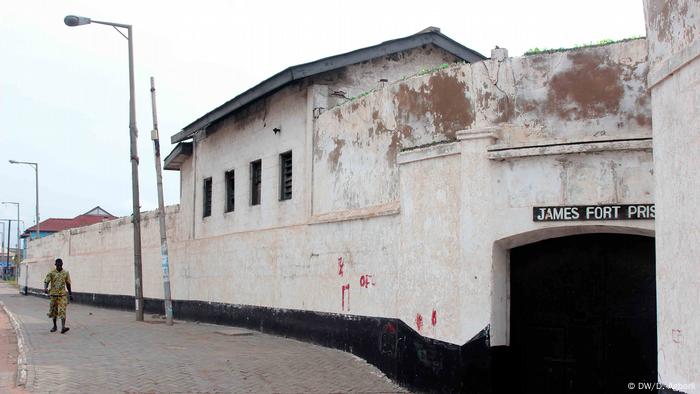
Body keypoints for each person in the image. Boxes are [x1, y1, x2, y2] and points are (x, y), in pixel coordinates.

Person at [44, 258, 73, 333]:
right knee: (54, 311)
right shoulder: (52, 272)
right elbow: (46, 281)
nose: (59, 266)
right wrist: (45, 288)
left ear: (62, 264)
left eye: (60, 265)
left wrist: (70, 293)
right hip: (53, 295)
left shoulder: (66, 273)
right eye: (58, 265)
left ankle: (63, 327)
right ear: (55, 265)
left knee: (63, 310)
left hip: (62, 295)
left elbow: (68, 284)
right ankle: (55, 326)